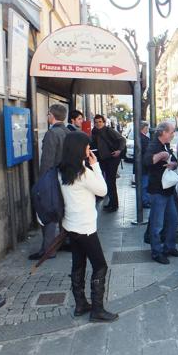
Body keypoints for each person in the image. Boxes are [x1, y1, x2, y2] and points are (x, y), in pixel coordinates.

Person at [58, 131, 118, 322]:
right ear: (79, 149)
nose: (89, 148)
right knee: (100, 265)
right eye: (86, 145)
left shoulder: (62, 170)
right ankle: (97, 310)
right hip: (85, 227)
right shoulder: (83, 173)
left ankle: (80, 304)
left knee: (78, 263)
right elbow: (103, 190)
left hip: (70, 225)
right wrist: (95, 165)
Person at [29, 104, 70, 261]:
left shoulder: (52, 133)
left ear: (52, 116)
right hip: (66, 178)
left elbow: (47, 161)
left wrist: (41, 183)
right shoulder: (68, 131)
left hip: (53, 178)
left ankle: (48, 249)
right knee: (61, 211)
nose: (47, 117)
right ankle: (64, 241)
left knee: (48, 212)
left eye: (48, 114)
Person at [143, 122, 178, 265]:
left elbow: (174, 161)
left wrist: (173, 164)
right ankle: (156, 252)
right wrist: (162, 154)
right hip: (157, 190)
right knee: (157, 224)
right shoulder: (154, 145)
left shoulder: (166, 144)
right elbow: (147, 161)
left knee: (173, 219)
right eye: (172, 132)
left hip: (167, 190)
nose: (173, 134)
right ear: (163, 133)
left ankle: (169, 247)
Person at [91, 114, 126, 213]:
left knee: (111, 181)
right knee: (108, 181)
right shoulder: (94, 132)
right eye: (96, 122)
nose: (98, 124)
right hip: (103, 159)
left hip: (112, 158)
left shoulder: (109, 130)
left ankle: (114, 205)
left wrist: (119, 150)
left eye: (100, 122)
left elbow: (122, 139)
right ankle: (111, 203)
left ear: (104, 122)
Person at [137, 121, 151, 208]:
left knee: (142, 184)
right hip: (144, 166)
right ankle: (144, 201)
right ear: (144, 128)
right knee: (144, 185)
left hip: (140, 166)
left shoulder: (138, 138)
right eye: (147, 128)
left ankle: (144, 200)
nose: (148, 130)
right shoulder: (145, 139)